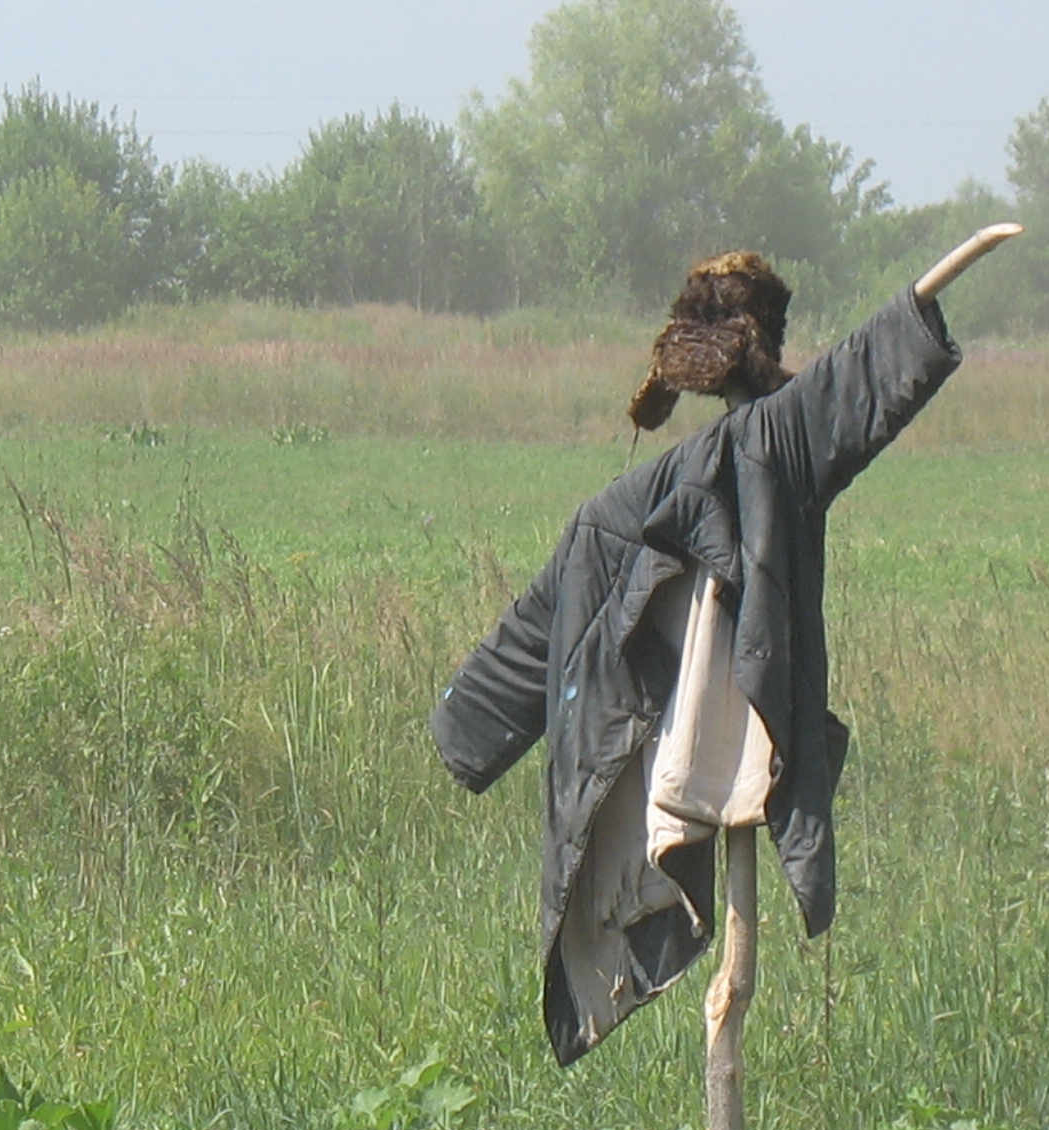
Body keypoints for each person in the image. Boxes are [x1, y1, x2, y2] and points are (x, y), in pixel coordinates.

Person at [432, 230, 1018, 1069]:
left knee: (730, 981)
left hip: (698, 750)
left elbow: (537, 622)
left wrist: (464, 726)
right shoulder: (756, 454)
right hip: (714, 751)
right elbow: (853, 383)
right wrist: (469, 727)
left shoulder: (690, 476)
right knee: (729, 987)